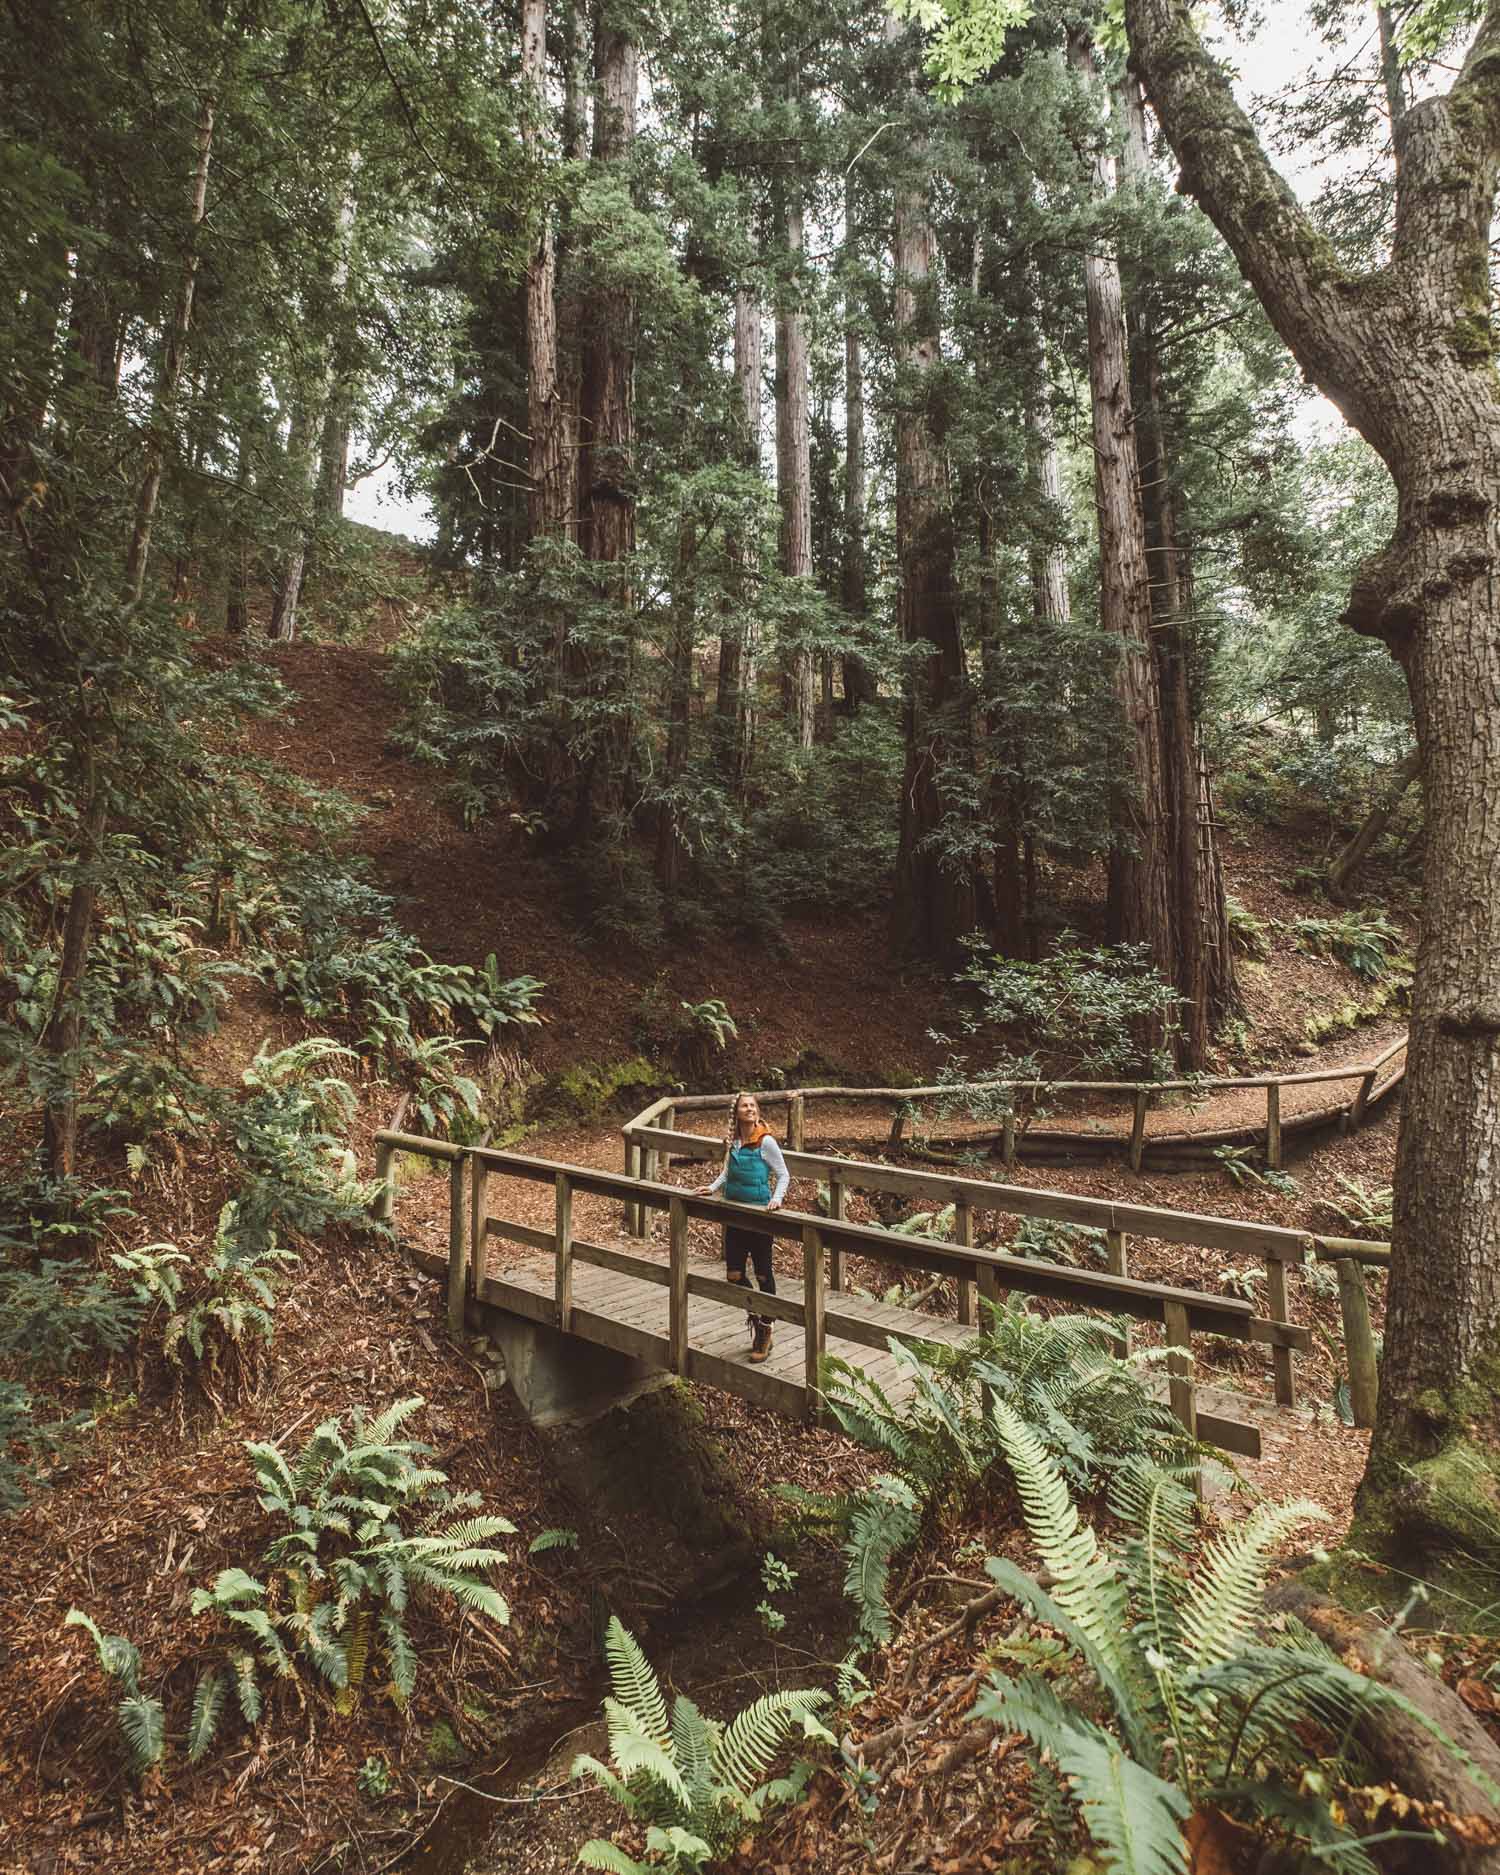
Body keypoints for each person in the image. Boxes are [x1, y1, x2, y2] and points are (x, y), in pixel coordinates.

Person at [696, 1091, 788, 1363]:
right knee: (734, 1275)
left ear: (757, 1111)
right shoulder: (734, 1141)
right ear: (736, 1112)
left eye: (752, 1106)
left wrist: (776, 1199)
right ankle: (758, 1319)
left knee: (762, 1275)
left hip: (759, 1216)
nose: (749, 1109)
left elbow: (783, 1174)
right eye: (744, 1106)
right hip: (735, 1215)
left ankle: (765, 1329)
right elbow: (729, 1172)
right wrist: (712, 1188)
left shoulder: (766, 1141)